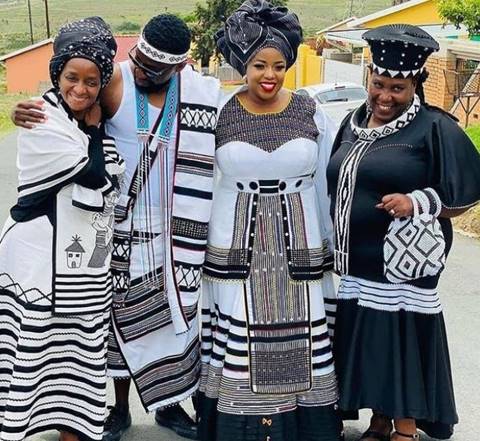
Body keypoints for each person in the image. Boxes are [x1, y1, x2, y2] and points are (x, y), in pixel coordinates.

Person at [12, 13, 220, 441]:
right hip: (119, 224)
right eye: (138, 59)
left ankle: (170, 405)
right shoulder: (114, 82)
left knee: (175, 320)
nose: (139, 71)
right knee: (116, 320)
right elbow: (67, 106)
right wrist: (26, 111)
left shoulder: (200, 92)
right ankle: (119, 407)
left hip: (177, 229)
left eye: (152, 69)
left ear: (178, 68)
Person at [327, 24, 480, 441]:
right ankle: (380, 420)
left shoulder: (435, 127)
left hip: (405, 267)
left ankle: (406, 427)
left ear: (416, 85)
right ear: (368, 78)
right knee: (372, 341)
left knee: (401, 342)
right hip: (358, 265)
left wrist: (418, 202)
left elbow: (466, 192)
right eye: (378, 84)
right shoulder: (352, 124)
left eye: (397, 88)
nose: (385, 96)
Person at [197, 1, 341, 440]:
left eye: (279, 66)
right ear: (243, 64)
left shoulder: (309, 110)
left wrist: (333, 243)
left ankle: (304, 425)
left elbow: (328, 178)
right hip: (235, 244)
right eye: (259, 64)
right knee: (239, 330)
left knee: (303, 332)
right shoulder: (219, 112)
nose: (269, 75)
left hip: (299, 242)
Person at [0, 17, 124, 441]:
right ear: (56, 74)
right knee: (36, 347)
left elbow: (111, 172)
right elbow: (95, 174)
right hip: (37, 260)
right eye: (72, 77)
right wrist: (93, 130)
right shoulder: (41, 116)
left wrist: (93, 130)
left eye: (92, 81)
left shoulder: (86, 121)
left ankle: (73, 426)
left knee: (76, 354)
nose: (81, 89)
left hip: (83, 266)